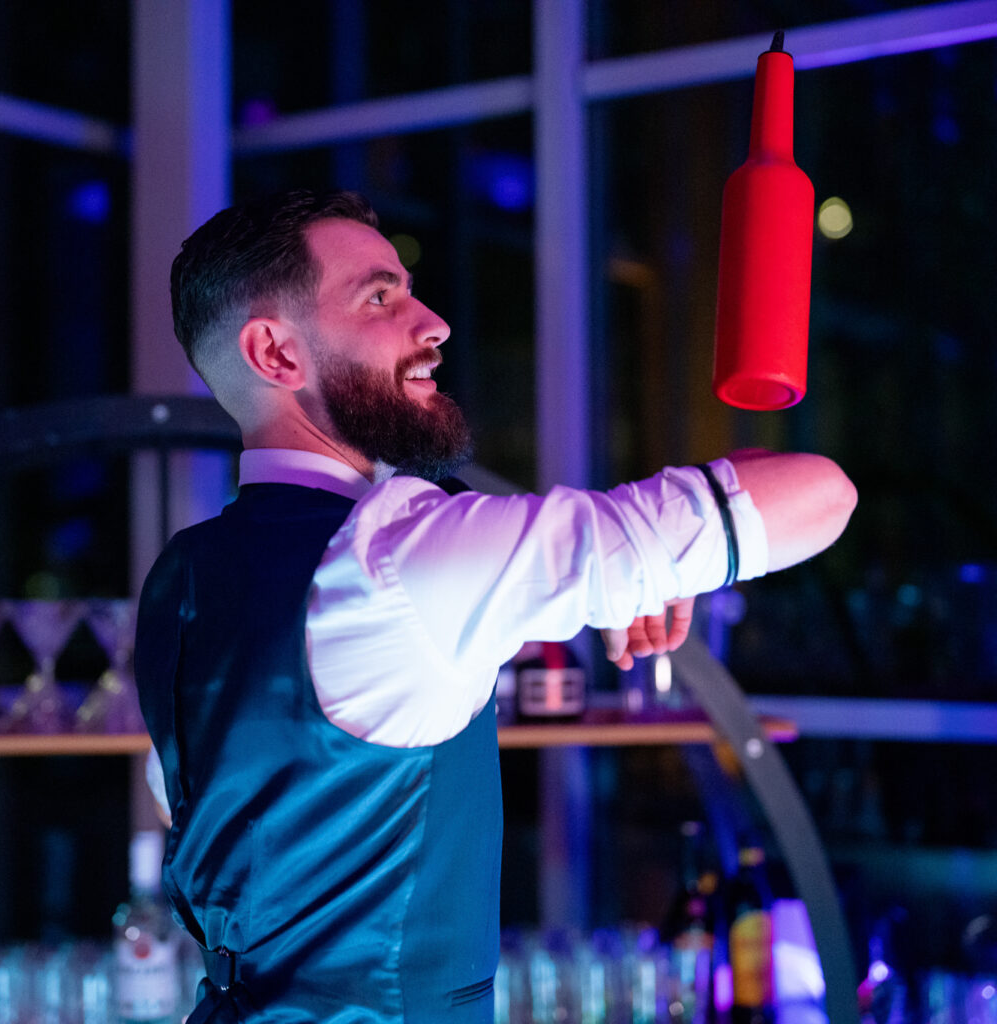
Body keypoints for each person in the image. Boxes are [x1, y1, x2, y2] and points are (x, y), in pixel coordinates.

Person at [135, 188, 857, 1023]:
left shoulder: (183, 577)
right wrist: (661, 567)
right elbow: (821, 493)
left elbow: (228, 807)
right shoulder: (397, 552)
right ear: (276, 353)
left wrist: (658, 569)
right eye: (381, 296)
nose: (433, 321)